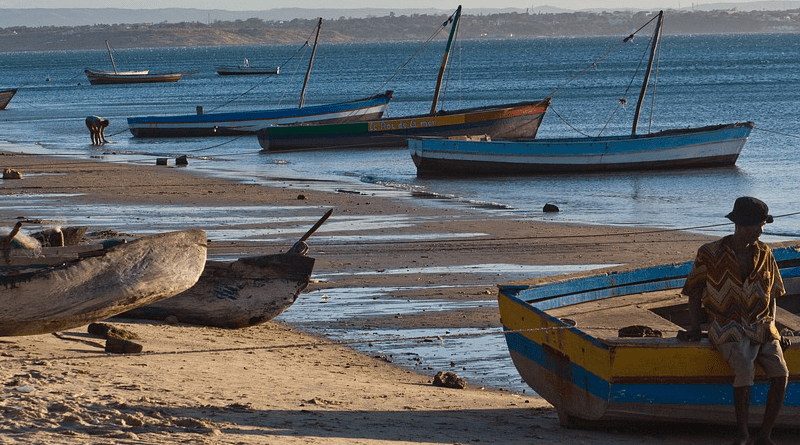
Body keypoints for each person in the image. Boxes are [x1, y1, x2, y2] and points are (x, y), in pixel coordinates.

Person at [682, 196, 788, 445]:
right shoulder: (709, 252)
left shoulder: (765, 253)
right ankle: (742, 434)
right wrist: (696, 327)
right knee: (743, 368)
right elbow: (694, 292)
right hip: (726, 324)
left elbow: (773, 294)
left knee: (781, 373)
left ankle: (765, 436)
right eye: (757, 225)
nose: (761, 231)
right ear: (740, 225)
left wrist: (774, 326)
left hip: (762, 325)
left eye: (763, 225)